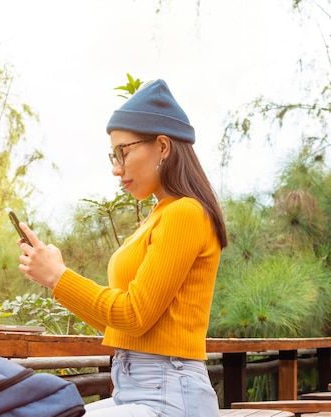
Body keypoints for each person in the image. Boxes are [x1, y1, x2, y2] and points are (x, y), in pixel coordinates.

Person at [15, 79, 228, 417]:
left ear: (162, 146)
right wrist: (53, 278)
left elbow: (135, 315)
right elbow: (122, 324)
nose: (116, 168)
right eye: (112, 156)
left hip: (169, 394)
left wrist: (59, 277)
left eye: (123, 152)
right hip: (137, 389)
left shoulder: (185, 213)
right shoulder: (159, 216)